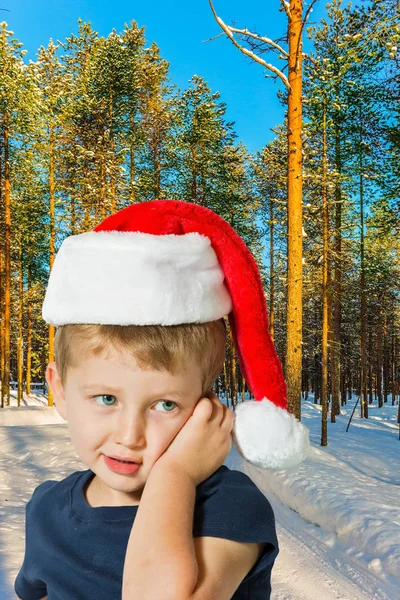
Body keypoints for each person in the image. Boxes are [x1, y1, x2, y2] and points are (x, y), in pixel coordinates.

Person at [14, 200, 309, 600]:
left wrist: (177, 475)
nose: (130, 435)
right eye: (105, 398)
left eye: (165, 405)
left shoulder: (231, 509)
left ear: (205, 409)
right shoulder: (46, 509)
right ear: (61, 390)